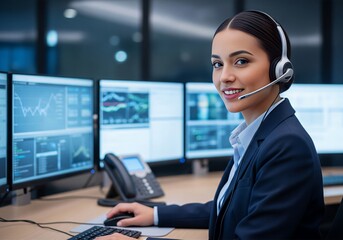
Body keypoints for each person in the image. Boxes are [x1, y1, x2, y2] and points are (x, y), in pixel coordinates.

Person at [96, 10, 325, 240]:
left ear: (280, 69)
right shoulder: (259, 135)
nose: (224, 76)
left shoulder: (287, 145)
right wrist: (156, 214)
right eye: (217, 64)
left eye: (241, 61)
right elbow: (230, 209)